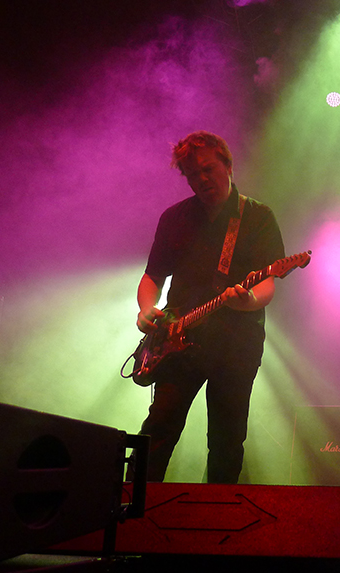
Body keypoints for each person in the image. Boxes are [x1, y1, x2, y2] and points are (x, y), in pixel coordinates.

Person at [135, 131, 285, 483]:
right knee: (158, 430)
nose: (201, 180)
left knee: (226, 440)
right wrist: (145, 309)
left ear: (228, 165)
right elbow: (152, 276)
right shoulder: (174, 218)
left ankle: (217, 511)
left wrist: (248, 301)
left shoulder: (258, 217)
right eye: (192, 175)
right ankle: (132, 507)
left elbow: (267, 282)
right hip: (177, 342)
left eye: (208, 169)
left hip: (236, 344)